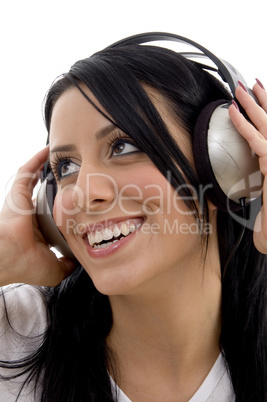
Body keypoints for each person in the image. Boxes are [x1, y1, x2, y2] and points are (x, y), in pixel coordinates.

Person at [0, 33, 267, 402]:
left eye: (123, 146)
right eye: (66, 166)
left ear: (225, 163)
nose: (82, 193)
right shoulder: (14, 330)